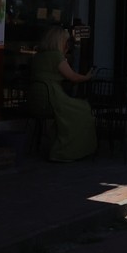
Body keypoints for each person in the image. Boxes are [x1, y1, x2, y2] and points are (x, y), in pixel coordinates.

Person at [28, 26, 97, 162]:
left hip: (35, 98)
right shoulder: (56, 56)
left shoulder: (38, 56)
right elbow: (73, 77)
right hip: (51, 97)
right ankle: (68, 151)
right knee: (83, 109)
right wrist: (87, 77)